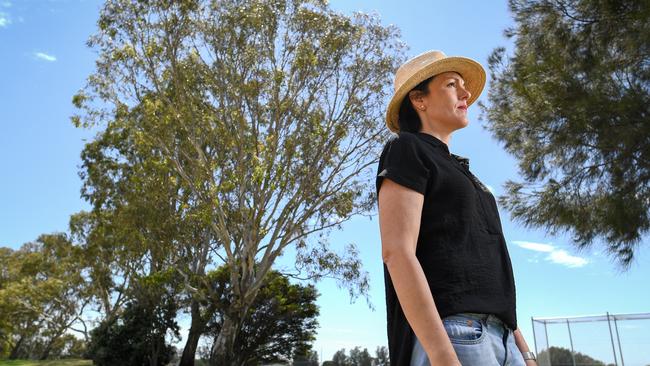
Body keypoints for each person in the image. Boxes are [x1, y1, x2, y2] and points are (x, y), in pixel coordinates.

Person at [376, 50, 538, 366]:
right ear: (419, 100)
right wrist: (441, 354)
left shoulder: (467, 176)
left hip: (504, 340)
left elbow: (493, 277)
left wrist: (524, 352)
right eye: (452, 84)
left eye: (464, 86)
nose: (465, 94)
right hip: (457, 336)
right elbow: (397, 252)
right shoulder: (406, 149)